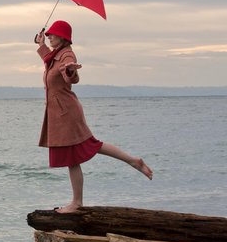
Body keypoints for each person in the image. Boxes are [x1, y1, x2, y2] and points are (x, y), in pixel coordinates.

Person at [35, 20, 152, 213]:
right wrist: (41, 46)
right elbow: (49, 60)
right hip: (61, 111)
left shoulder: (67, 54)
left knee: (79, 153)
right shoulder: (55, 54)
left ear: (63, 37)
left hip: (66, 112)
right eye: (48, 35)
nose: (49, 37)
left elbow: (70, 76)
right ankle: (132, 161)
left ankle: (77, 203)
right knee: (88, 147)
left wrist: (71, 71)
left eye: (52, 35)